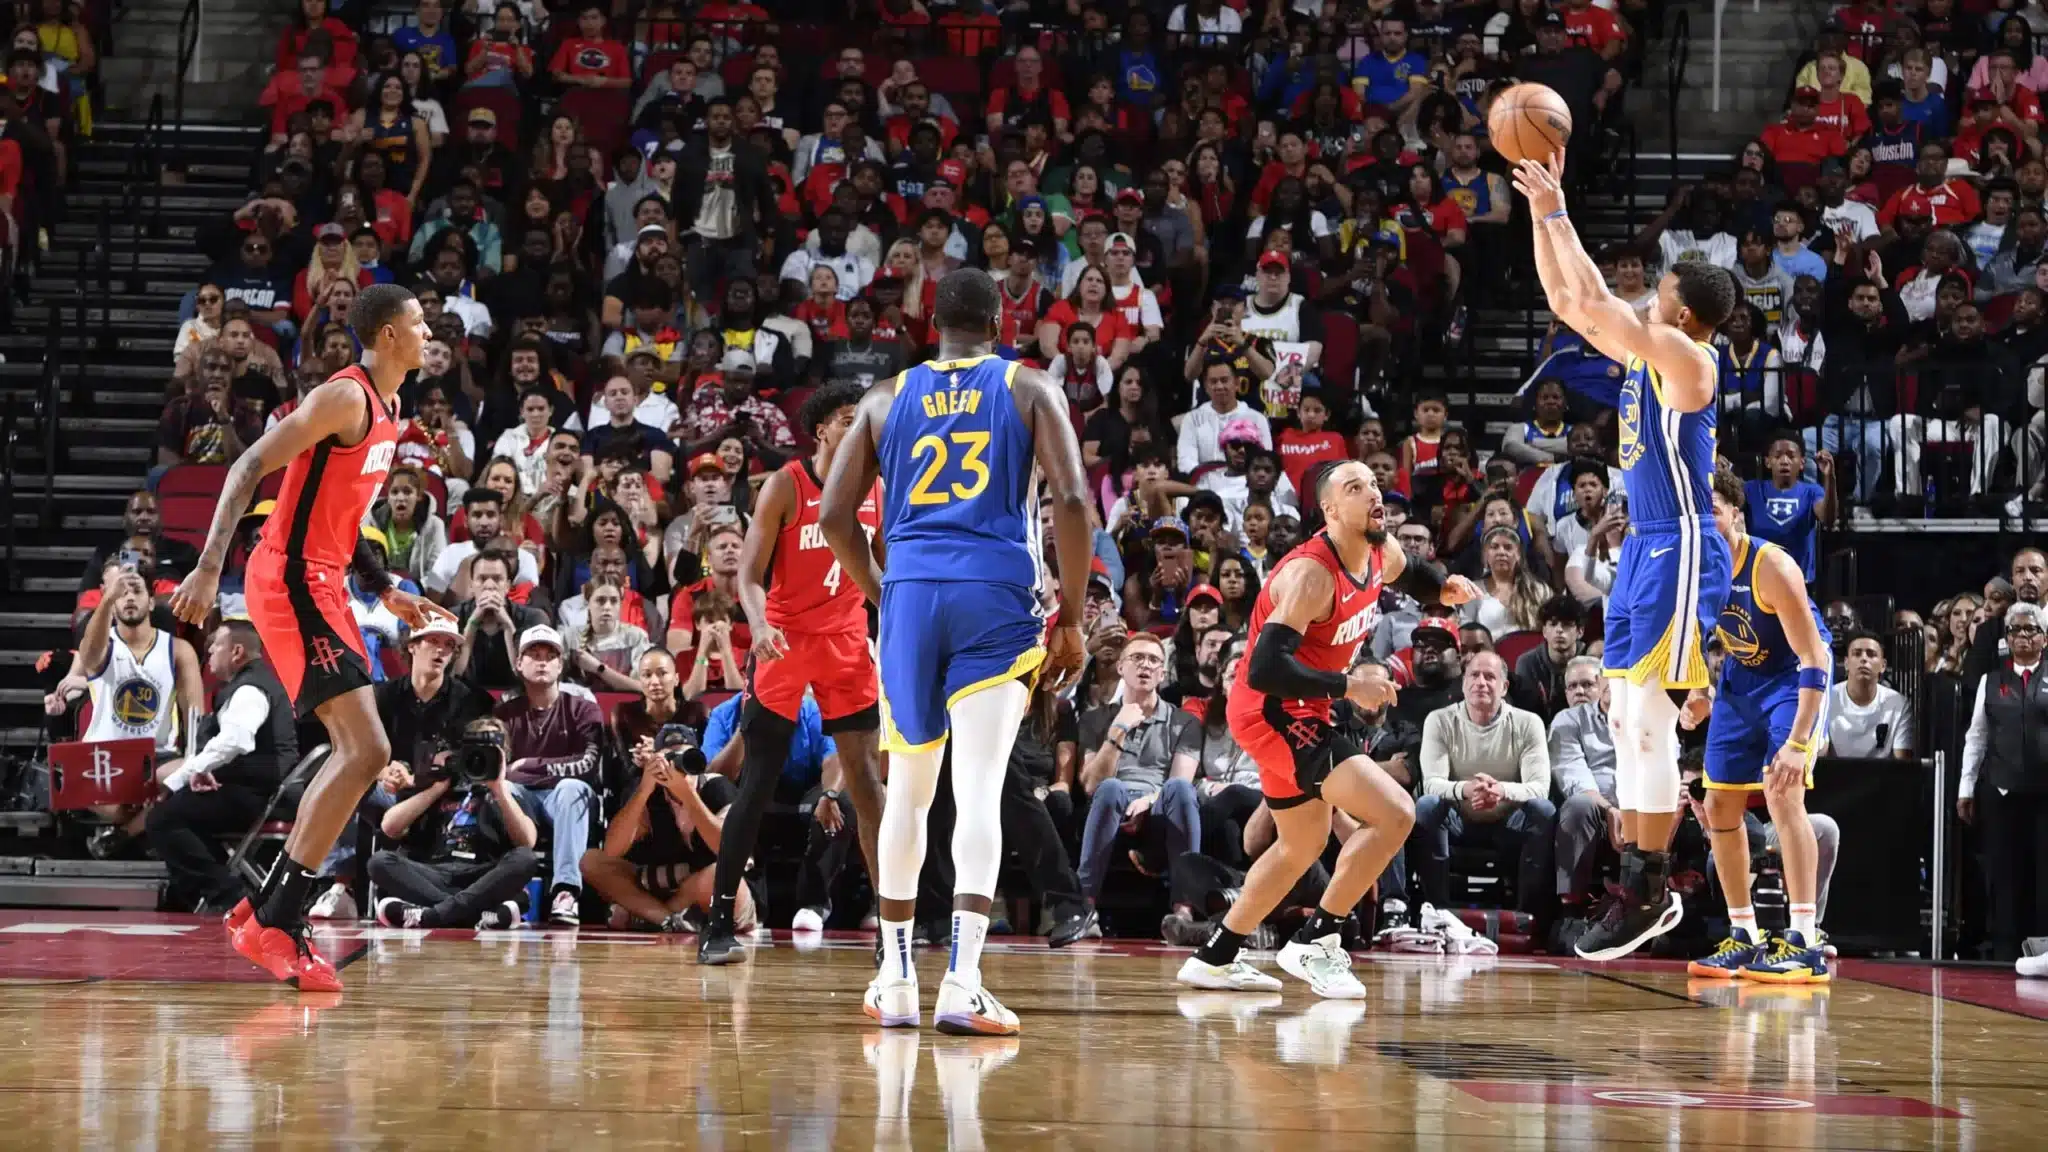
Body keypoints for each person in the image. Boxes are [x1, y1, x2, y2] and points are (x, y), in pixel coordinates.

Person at [817, 268, 1091, 1036]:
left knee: (906, 789)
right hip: (996, 596)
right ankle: (964, 982)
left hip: (911, 593)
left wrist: (883, 592)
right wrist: (1069, 613)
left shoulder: (882, 398)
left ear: (928, 324)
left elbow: (837, 516)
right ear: (1000, 323)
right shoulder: (1028, 387)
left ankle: (896, 977)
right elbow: (1071, 500)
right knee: (977, 789)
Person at [169, 283, 450, 993]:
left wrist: (385, 587)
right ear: (386, 335)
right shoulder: (344, 398)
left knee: (361, 749)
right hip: (288, 578)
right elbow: (245, 466)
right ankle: (276, 916)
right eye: (418, 323)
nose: (429, 332)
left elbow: (344, 513)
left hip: (324, 580)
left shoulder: (390, 412)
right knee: (368, 748)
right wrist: (208, 570)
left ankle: (269, 913)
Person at [1513, 153, 1737, 962]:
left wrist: (1562, 209)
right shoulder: (1650, 348)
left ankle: (1648, 883)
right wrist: (1545, 211)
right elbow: (1570, 299)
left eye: (1661, 289)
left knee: (1647, 718)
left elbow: (1596, 301)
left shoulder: (1692, 360)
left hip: (1679, 544)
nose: (1649, 294)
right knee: (1630, 716)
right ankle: (1643, 885)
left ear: (1681, 310)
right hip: (1644, 547)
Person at [1176, 459, 1479, 998]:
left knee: (1302, 844)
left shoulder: (1378, 551)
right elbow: (1265, 667)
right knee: (1395, 813)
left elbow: (1410, 572)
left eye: (1376, 484)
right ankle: (1318, 939)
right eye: (1355, 487)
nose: (1373, 494)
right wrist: (1348, 688)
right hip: (1272, 710)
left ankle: (1215, 957)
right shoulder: (1312, 574)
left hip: (1300, 708)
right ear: (1331, 510)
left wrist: (1442, 589)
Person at [697, 381, 887, 965]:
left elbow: (882, 571)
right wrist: (756, 624)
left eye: (865, 420)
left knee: (866, 782)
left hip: (848, 642)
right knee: (757, 780)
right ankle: (718, 922)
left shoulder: (878, 488)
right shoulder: (788, 484)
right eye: (849, 419)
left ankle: (892, 932)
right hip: (784, 639)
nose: (861, 428)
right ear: (822, 427)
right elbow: (749, 576)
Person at [1682, 472, 1834, 983]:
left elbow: (1814, 657)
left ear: (1737, 517)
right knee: (1718, 801)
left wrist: (1797, 742)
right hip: (1742, 680)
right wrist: (1702, 693)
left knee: (1782, 794)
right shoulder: (1696, 568)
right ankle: (1743, 934)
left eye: (1715, 513)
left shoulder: (1772, 565)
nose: (1707, 525)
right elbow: (1703, 638)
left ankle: (1806, 938)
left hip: (1794, 678)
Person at [143, 621, 299, 913]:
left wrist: (177, 780)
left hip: (259, 797)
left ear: (237, 651)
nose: (210, 650)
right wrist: (208, 771)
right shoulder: (246, 684)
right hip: (254, 790)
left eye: (216, 644)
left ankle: (228, 896)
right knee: (181, 816)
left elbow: (235, 741)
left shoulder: (250, 689)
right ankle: (209, 892)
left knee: (162, 820)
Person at [371, 716, 540, 929]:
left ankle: (430, 915)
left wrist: (498, 789)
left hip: (482, 875)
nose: (480, 757)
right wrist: (437, 788)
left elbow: (527, 842)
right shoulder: (438, 785)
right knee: (379, 862)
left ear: (503, 756)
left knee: (525, 859)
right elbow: (390, 827)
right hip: (434, 872)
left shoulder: (511, 791)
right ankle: (478, 913)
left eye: (488, 750)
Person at [1958, 601, 2048, 966]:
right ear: (2007, 638)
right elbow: (1976, 737)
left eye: (2031, 630)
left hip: (2045, 794)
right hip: (2002, 791)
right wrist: (1966, 788)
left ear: (2045, 637)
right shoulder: (1990, 681)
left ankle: (2043, 950)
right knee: (2004, 873)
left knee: (2045, 874)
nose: (2023, 636)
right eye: (2016, 630)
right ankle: (2004, 952)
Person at [1825, 630, 1915, 759]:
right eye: (1857, 654)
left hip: (1883, 778)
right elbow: (1819, 757)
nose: (1864, 659)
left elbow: (1903, 765)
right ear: (1846, 663)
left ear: (1883, 666)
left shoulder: (1898, 704)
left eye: (1871, 654)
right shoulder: (1827, 698)